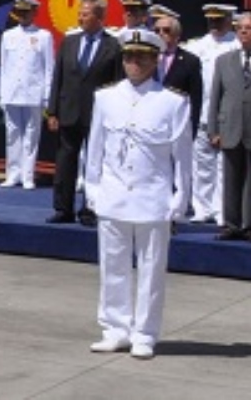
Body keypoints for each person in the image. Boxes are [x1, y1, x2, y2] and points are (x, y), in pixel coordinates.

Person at [85, 29, 192, 360]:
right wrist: (92, 188)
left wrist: (181, 197)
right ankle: (115, 329)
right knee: (113, 267)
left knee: (151, 270)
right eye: (129, 56)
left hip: (152, 198)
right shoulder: (105, 98)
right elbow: (95, 149)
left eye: (142, 57)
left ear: (155, 59)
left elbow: (182, 157)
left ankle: (145, 332)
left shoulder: (173, 102)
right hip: (114, 195)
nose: (135, 62)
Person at [48, 0, 123, 225]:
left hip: (98, 115)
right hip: (69, 110)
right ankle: (63, 208)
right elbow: (58, 77)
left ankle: (90, 209)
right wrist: (52, 111)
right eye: (79, 14)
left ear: (99, 17)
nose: (81, 18)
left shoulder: (113, 45)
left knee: (95, 165)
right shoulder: (70, 42)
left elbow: (117, 83)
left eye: (86, 14)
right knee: (65, 162)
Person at [0, 0, 55, 191]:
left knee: (31, 135)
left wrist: (47, 96)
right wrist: (2, 94)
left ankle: (28, 175)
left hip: (33, 93)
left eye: (26, 12)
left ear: (34, 13)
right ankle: (13, 173)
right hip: (12, 92)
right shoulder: (8, 35)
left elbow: (49, 68)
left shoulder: (43, 36)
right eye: (19, 12)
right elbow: (4, 67)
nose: (22, 16)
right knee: (12, 134)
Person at [187, 4, 238, 224]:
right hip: (202, 112)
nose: (215, 25)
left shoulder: (236, 44)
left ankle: (220, 210)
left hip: (226, 114)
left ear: (229, 20)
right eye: (211, 21)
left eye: (219, 20)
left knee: (223, 166)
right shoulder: (198, 46)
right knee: (202, 164)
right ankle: (202, 207)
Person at [202, 11, 251, 240]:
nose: (243, 32)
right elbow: (215, 97)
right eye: (240, 28)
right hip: (230, 127)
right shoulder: (225, 60)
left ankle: (248, 225)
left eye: (248, 28)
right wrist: (213, 130)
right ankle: (231, 224)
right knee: (230, 178)